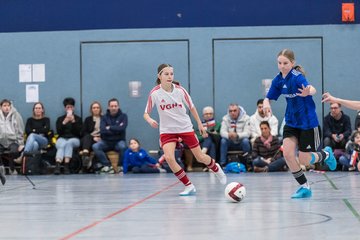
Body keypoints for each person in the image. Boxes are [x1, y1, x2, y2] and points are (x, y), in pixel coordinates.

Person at [262, 49, 336, 199]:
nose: (282, 66)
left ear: (292, 63)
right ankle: (304, 187)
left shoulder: (297, 77)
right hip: (291, 122)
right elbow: (269, 96)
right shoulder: (278, 79)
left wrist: (308, 91)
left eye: (285, 63)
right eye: (279, 63)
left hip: (307, 123)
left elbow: (312, 88)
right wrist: (265, 102)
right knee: (288, 154)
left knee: (304, 160)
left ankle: (326, 154)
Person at [144, 63, 226, 196]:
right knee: (170, 158)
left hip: (184, 127)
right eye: (166, 74)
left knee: (199, 157)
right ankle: (189, 185)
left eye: (171, 73)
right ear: (159, 76)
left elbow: (192, 107)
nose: (170, 76)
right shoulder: (154, 93)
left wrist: (199, 124)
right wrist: (150, 120)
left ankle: (215, 167)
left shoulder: (180, 90)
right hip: (167, 131)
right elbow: (146, 113)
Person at [92, 98, 127, 174]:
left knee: (123, 146)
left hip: (119, 141)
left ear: (118, 106)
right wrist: (116, 128)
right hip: (106, 142)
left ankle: (120, 166)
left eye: (115, 106)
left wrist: (110, 127)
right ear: (108, 107)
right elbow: (103, 130)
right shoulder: (104, 117)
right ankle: (107, 166)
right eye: (112, 106)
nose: (114, 108)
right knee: (95, 146)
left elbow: (122, 128)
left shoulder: (123, 116)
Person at [55, 97, 82, 175]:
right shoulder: (60, 119)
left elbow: (79, 133)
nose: (69, 108)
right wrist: (64, 122)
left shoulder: (78, 119)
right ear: (65, 108)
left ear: (73, 108)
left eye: (71, 107)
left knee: (69, 142)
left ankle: (66, 165)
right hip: (62, 138)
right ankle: (58, 165)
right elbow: (59, 132)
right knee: (62, 144)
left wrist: (73, 122)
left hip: (75, 139)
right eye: (68, 107)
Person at [0, 99, 24, 176]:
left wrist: (21, 143)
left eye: (8, 105)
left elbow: (20, 130)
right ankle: (1, 168)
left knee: (13, 151)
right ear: (1, 107)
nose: (7, 107)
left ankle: (12, 168)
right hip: (1, 141)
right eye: (4, 106)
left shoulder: (16, 115)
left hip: (13, 141)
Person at [80, 101, 102, 171]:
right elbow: (83, 132)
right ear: (91, 110)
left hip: (101, 139)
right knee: (87, 136)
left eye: (97, 107)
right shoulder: (88, 119)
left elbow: (107, 131)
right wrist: (93, 137)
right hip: (89, 139)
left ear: (100, 109)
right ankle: (85, 155)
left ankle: (85, 157)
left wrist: (100, 138)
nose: (96, 109)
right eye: (94, 108)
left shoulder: (104, 118)